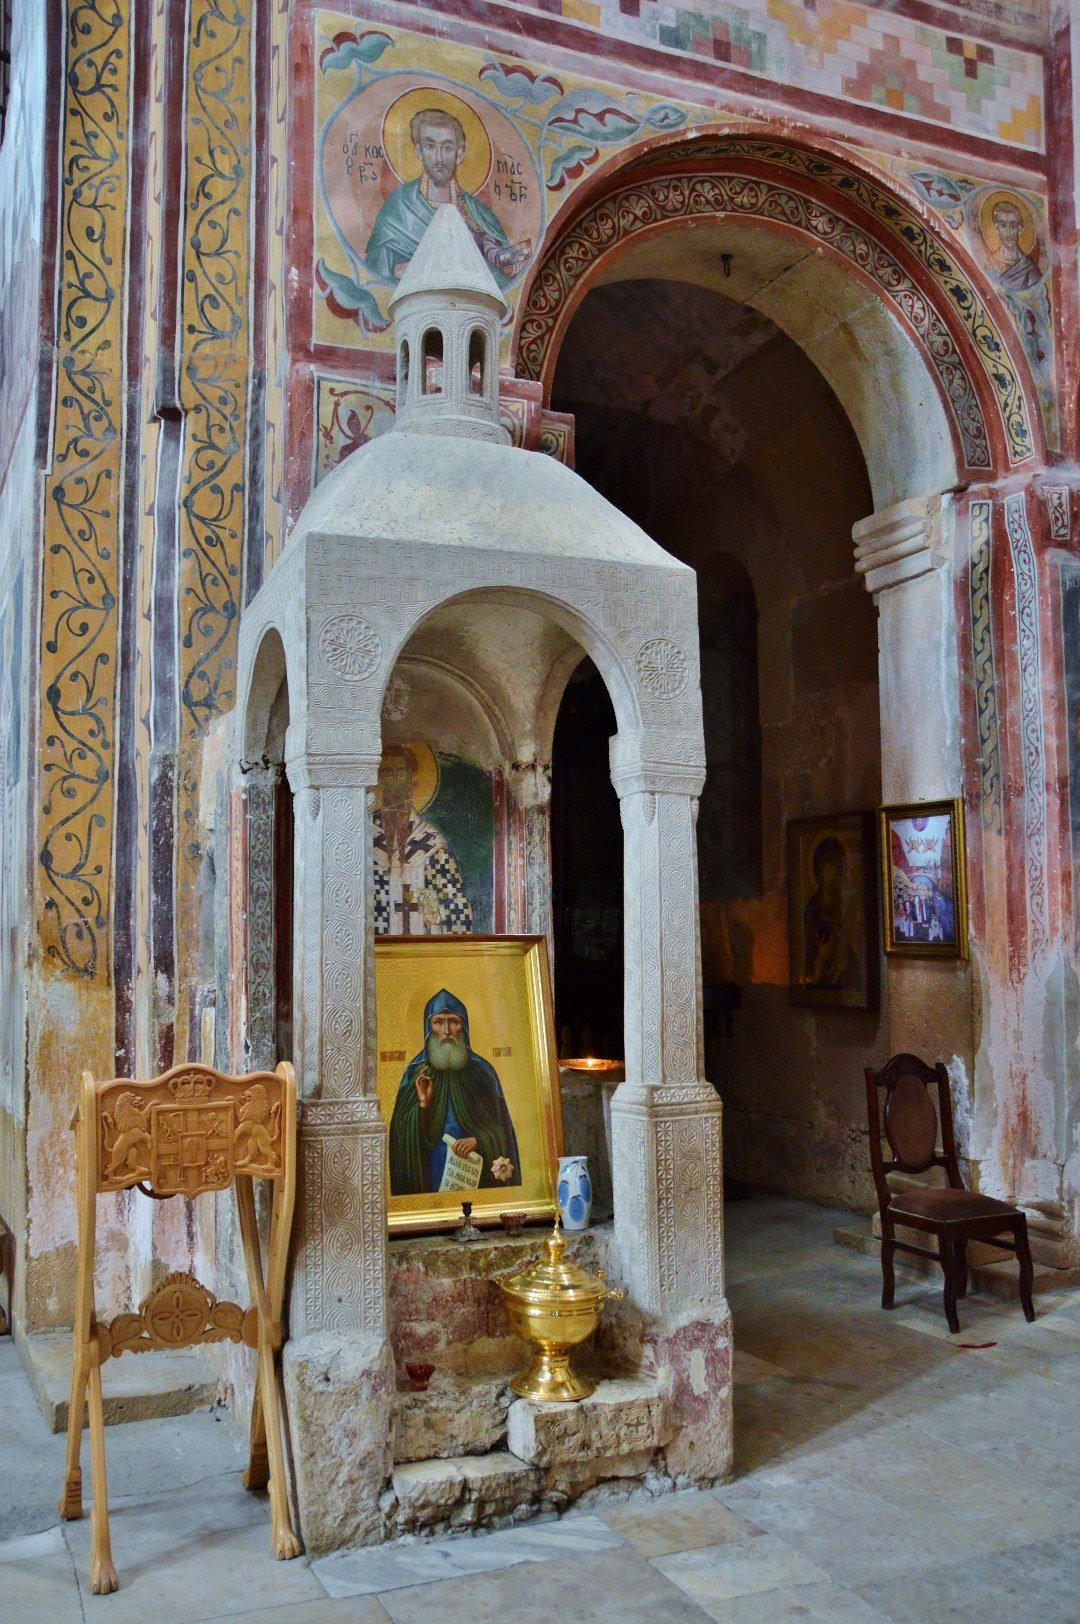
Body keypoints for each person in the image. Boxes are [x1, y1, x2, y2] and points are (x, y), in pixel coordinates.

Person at [366, 108, 530, 286]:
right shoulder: (399, 206)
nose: (439, 157)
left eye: (447, 148)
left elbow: (506, 276)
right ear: (419, 151)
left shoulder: (480, 214)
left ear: (459, 155)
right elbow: (376, 264)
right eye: (430, 146)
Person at [388, 989, 521, 1195]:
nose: (447, 1030)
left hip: (476, 1171)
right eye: (439, 1022)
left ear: (464, 1027)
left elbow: (502, 1130)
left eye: (454, 1022)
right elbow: (401, 1135)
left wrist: (478, 1140)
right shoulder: (415, 1074)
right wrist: (422, 1105)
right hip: (432, 1172)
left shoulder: (483, 1073)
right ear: (428, 1027)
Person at [373, 746, 472, 935]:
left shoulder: (430, 842)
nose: (394, 780)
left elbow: (455, 902)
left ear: (411, 779)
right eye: (387, 772)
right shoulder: (366, 838)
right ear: (379, 779)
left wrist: (437, 913)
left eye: (401, 773)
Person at [803, 836, 860, 990]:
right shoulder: (811, 908)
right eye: (831, 864)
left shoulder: (848, 904)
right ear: (819, 869)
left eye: (840, 865)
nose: (836, 871)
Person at [986, 200, 1042, 291]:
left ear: (1019, 230)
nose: (1008, 232)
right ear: (997, 229)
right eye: (1003, 226)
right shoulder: (991, 264)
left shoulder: (1029, 267)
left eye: (1012, 226)